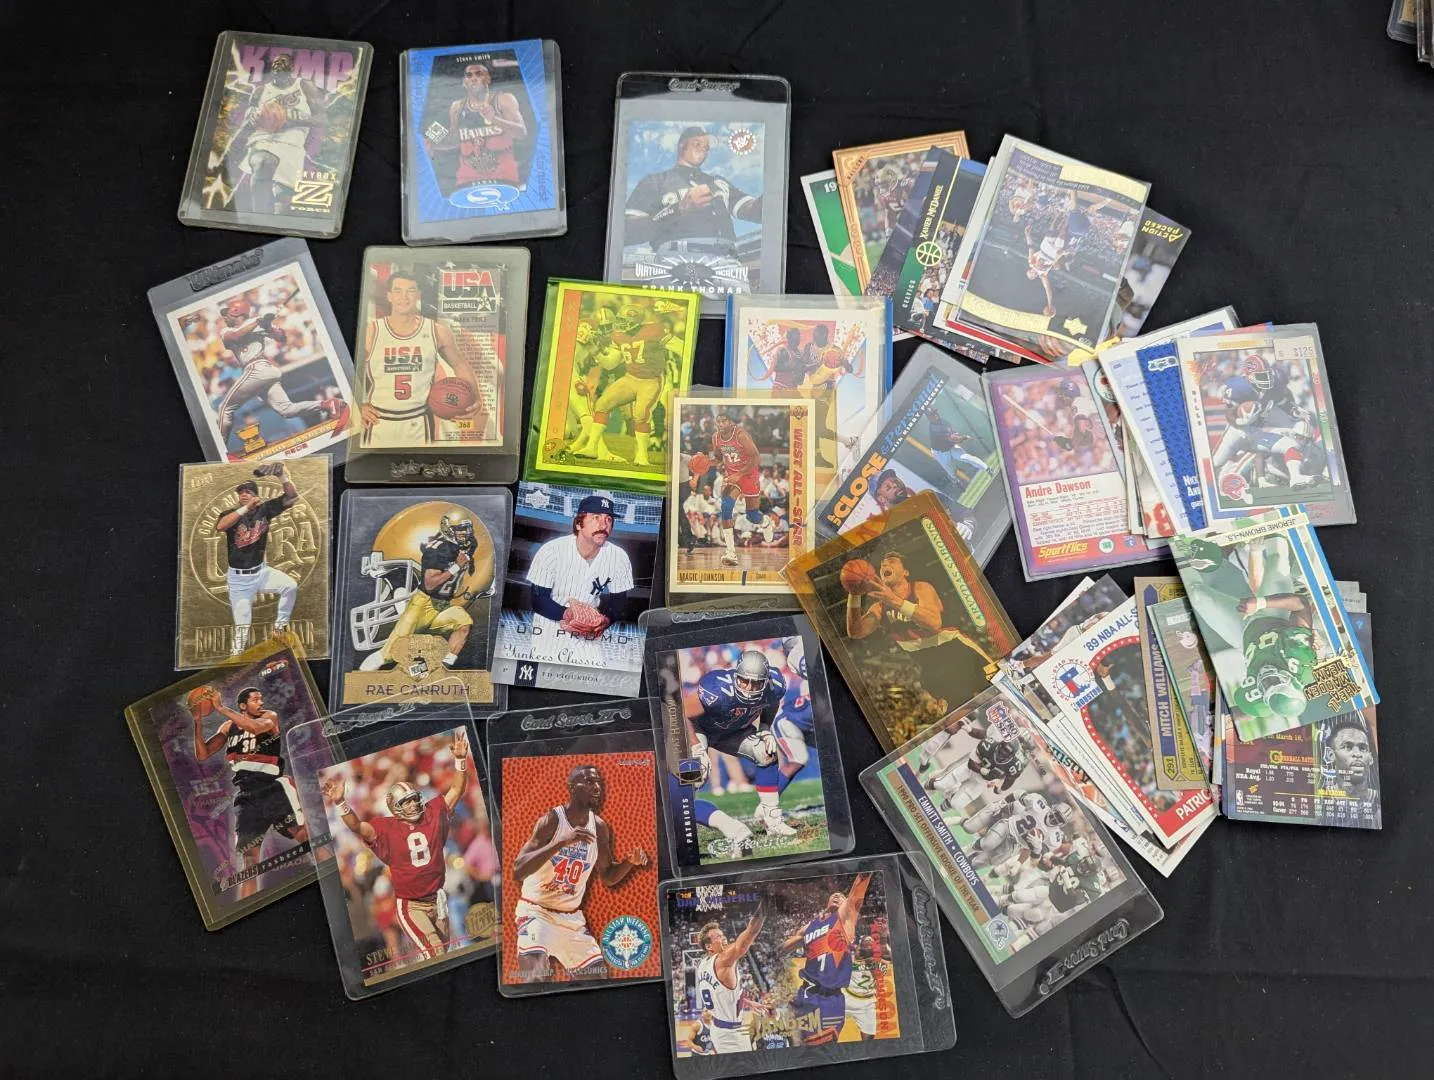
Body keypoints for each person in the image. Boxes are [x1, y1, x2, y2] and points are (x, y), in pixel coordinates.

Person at [320, 729, 472, 964]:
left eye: (414, 799)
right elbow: (357, 826)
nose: (413, 805)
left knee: (443, 953)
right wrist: (340, 802)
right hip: (413, 905)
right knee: (436, 954)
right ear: (395, 807)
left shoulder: (432, 812)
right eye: (406, 802)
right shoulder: (386, 828)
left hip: (438, 898)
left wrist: (460, 761)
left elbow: (457, 790)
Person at [509, 764, 649, 981]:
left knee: (599, 980)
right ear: (572, 787)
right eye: (590, 782)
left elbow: (608, 876)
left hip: (571, 919)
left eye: (599, 782)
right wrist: (561, 843)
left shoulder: (599, 827)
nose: (597, 787)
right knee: (536, 977)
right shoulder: (553, 820)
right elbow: (518, 870)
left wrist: (630, 862)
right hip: (537, 912)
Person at [191, 685, 308, 900]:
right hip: (246, 796)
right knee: (249, 863)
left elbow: (254, 728)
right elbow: (202, 753)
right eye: (255, 699)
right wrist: (197, 720)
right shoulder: (229, 726)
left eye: (261, 698)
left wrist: (220, 707)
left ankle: (337, 875)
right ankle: (249, 905)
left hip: (272, 787)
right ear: (243, 706)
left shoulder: (269, 717)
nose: (261, 703)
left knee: (304, 836)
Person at [360, 268, 484, 447]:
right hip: (379, 420)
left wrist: (476, 397)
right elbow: (350, 368)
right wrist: (358, 402)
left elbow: (459, 364)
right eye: (398, 291)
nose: (404, 297)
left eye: (410, 291)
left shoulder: (438, 331)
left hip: (419, 420)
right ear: (389, 296)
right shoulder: (372, 331)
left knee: (419, 464)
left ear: (418, 295)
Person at [684, 650, 796, 839]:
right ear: (736, 675)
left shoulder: (774, 685)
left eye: (756, 683)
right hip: (700, 729)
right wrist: (696, 748)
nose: (749, 687)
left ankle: (773, 821)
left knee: (766, 752)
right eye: (744, 680)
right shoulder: (718, 689)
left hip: (730, 732)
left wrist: (765, 728)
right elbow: (683, 713)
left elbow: (773, 702)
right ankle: (682, 823)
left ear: (765, 680)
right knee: (694, 778)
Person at [213, 293, 342, 450]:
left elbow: (281, 338)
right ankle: (327, 404)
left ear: (236, 311)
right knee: (287, 410)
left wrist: (268, 326)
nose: (224, 317)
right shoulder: (227, 330)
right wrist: (259, 321)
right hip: (260, 371)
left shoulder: (259, 324)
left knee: (225, 408)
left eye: (227, 313)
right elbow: (235, 336)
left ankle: (221, 450)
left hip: (258, 367)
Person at [623, 126, 761, 251]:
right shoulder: (654, 181)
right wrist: (678, 209)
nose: (703, 148)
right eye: (697, 143)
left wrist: (771, 195)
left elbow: (753, 210)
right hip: (674, 259)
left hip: (727, 258)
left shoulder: (718, 182)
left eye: (706, 147)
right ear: (681, 146)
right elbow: (627, 232)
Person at [212, 464, 300, 655]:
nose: (244, 494)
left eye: (248, 492)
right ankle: (235, 660)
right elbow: (220, 526)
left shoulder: (265, 510)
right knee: (242, 628)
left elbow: (292, 497)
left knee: (290, 586)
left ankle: (280, 628)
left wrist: (282, 477)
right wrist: (245, 508)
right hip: (239, 580)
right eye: (241, 492)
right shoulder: (231, 514)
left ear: (256, 495)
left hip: (261, 572)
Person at [525, 494, 633, 639]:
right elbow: (538, 599)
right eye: (596, 517)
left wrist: (605, 621)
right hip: (549, 629)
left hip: (590, 633)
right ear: (578, 523)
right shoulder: (551, 550)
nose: (603, 525)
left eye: (609, 519)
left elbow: (618, 601)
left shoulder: (619, 557)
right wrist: (569, 614)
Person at [234, 52, 328, 216]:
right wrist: (252, 117)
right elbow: (247, 122)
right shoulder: (261, 91)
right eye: (276, 65)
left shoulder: (303, 85)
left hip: (293, 143)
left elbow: (323, 119)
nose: (279, 66)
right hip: (264, 139)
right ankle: (258, 218)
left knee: (282, 200)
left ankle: (269, 221)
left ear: (291, 69)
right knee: (263, 162)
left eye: (283, 64)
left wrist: (296, 120)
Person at [781, 873, 871, 1044]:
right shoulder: (812, 925)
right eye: (833, 895)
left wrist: (865, 872)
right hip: (805, 993)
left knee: (821, 1047)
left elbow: (856, 894)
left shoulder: (845, 921)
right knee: (797, 1044)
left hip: (829, 999)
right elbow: (785, 946)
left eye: (842, 896)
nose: (837, 895)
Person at [425, 62, 526, 189]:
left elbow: (521, 133)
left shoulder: (504, 100)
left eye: (479, 74)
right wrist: (431, 143)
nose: (474, 78)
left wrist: (494, 119)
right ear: (464, 82)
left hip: (504, 176)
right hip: (468, 178)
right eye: (469, 75)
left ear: (488, 79)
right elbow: (455, 140)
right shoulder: (457, 107)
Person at [694, 901, 766, 1054]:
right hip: (730, 1034)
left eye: (723, 934)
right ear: (709, 946)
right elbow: (751, 932)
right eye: (719, 937)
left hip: (718, 1029)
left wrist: (746, 1002)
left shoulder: (702, 965)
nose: (724, 938)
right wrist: (765, 906)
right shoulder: (723, 960)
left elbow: (720, 994)